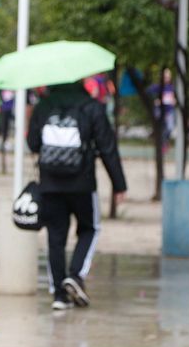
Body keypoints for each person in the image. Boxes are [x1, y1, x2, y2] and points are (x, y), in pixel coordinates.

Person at [27, 80, 127, 310]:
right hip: (82, 184)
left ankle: (59, 296)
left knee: (55, 237)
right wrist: (119, 184)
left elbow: (33, 143)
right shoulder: (92, 106)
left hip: (50, 183)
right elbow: (107, 147)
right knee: (90, 228)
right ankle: (76, 275)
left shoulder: (44, 106)